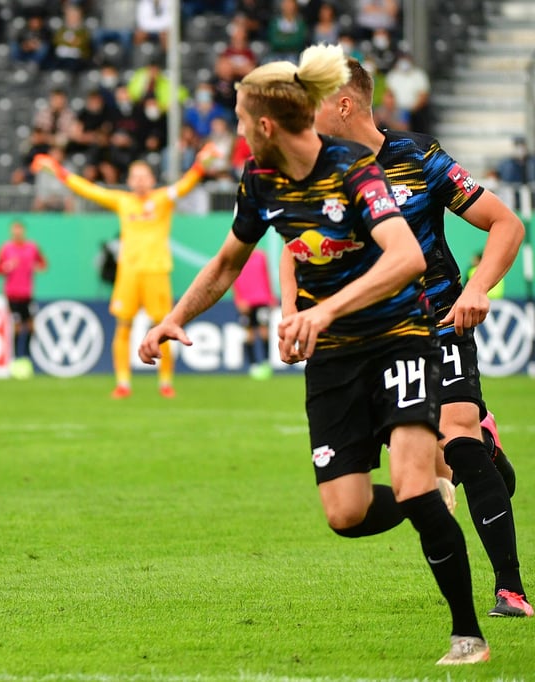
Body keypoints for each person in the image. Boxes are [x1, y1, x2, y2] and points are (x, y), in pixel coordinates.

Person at [138, 44, 489, 665]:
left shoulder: (354, 168)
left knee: (408, 485)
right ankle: (433, 496)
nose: (239, 133)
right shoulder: (261, 180)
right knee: (345, 513)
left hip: (397, 338)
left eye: (243, 123)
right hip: (334, 359)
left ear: (265, 125)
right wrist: (174, 316)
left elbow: (406, 257)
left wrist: (320, 309)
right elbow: (225, 263)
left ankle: (468, 635)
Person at [309, 57, 530, 619]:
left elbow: (507, 224)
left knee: (456, 431)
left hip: (438, 319)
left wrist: (477, 289)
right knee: (444, 466)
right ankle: (486, 457)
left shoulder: (420, 157)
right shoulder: (319, 173)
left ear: (343, 103)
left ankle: (510, 590)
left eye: (313, 101)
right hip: (376, 338)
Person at [32, 143, 216, 399]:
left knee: (163, 327)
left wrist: (200, 166)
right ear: (129, 181)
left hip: (156, 271)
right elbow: (90, 190)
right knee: (123, 326)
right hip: (128, 272)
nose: (140, 181)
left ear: (152, 180)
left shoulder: (162, 199)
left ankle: (165, 382)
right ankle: (123, 383)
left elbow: (185, 185)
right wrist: (59, 171)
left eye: (144, 177)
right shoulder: (123, 201)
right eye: (135, 177)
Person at [0, 220, 47, 378]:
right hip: (12, 294)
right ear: (12, 232)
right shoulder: (6, 248)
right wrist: (6, 267)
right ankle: (16, 361)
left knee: (30, 326)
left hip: (27, 294)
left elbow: (43, 264)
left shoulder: (32, 247)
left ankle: (27, 359)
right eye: (14, 230)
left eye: (19, 230)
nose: (17, 233)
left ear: (23, 231)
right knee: (17, 326)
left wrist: (36, 267)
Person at [232, 249, 275, 379]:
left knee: (264, 331)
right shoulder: (237, 256)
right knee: (249, 333)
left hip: (262, 300)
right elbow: (232, 278)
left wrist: (270, 296)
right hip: (245, 302)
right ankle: (253, 365)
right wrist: (238, 299)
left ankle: (267, 363)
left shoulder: (261, 256)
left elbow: (266, 276)